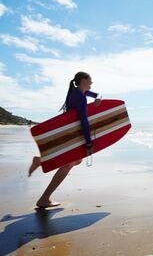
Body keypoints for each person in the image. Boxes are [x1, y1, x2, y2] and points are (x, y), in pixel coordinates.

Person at [28, 71, 101, 208]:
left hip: (71, 133)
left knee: (75, 161)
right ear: (84, 80)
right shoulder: (80, 96)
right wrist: (89, 142)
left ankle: (40, 161)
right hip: (74, 134)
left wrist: (97, 97)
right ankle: (44, 198)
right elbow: (83, 121)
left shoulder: (77, 93)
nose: (92, 83)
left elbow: (94, 94)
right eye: (90, 80)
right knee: (68, 163)